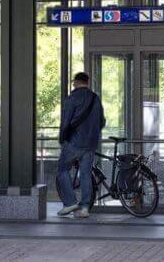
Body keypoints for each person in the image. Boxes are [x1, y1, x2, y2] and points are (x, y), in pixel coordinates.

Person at [56, 72, 105, 218]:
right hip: (91, 144)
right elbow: (102, 121)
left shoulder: (72, 98)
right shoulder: (95, 98)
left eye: (74, 82)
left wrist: (62, 138)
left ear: (76, 82)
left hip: (74, 142)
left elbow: (65, 121)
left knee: (62, 170)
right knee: (85, 174)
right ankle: (84, 208)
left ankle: (70, 202)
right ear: (87, 82)